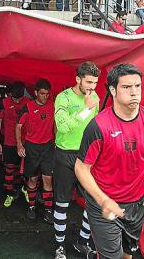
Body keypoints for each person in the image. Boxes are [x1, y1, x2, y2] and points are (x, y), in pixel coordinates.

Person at [74, 63, 144, 259]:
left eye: (138, 86)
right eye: (126, 87)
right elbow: (81, 168)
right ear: (113, 90)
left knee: (128, 254)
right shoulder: (98, 126)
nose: (134, 92)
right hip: (104, 203)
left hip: (136, 203)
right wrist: (103, 200)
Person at [53, 61, 100, 259]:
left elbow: (95, 127)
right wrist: (86, 110)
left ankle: (82, 241)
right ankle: (59, 246)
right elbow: (62, 127)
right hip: (65, 155)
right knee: (62, 203)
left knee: (93, 203)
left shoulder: (95, 97)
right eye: (88, 82)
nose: (92, 87)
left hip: (86, 156)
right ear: (78, 79)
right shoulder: (63, 97)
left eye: (95, 83)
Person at [16, 79, 55, 223]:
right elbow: (18, 126)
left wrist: (56, 141)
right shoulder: (28, 107)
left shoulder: (53, 105)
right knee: (32, 179)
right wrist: (20, 145)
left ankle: (49, 210)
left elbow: (56, 124)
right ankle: (31, 206)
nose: (45, 96)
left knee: (47, 179)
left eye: (47, 94)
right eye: (42, 93)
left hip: (48, 147)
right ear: (36, 92)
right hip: (32, 147)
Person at [0, 81, 29, 207]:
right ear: (10, 95)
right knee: (9, 168)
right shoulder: (4, 103)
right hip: (9, 142)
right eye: (15, 98)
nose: (17, 101)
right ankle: (9, 192)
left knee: (25, 170)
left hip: (25, 142)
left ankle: (24, 190)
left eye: (19, 98)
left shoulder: (28, 103)